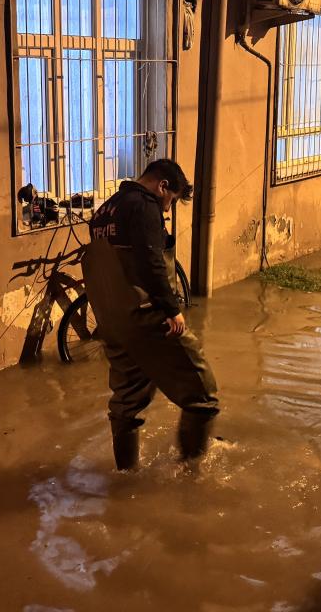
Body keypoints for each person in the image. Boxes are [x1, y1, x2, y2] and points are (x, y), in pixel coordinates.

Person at [81, 159, 219, 471]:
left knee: (127, 403)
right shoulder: (143, 205)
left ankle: (126, 478)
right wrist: (172, 310)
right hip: (145, 316)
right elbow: (149, 261)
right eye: (171, 200)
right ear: (162, 186)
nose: (168, 210)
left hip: (112, 323)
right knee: (203, 396)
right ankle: (192, 475)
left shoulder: (105, 210)